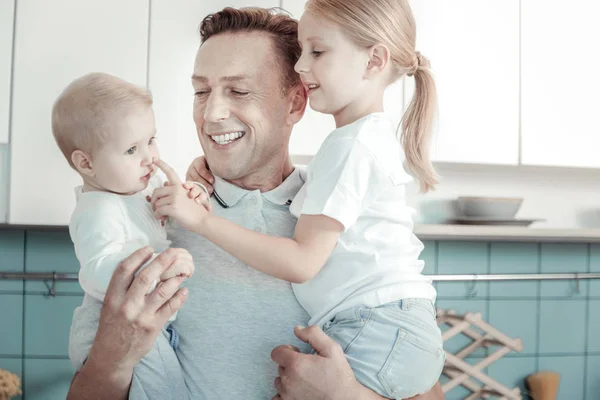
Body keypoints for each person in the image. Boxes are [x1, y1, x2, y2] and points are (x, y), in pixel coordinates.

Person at [66, 7, 445, 400]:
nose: (211, 114)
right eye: (201, 92)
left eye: (239, 91)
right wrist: (113, 357)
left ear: (297, 103)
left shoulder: (346, 229)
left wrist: (347, 397)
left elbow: (425, 386)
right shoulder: (156, 224)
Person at [52, 72, 204, 399]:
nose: (150, 156)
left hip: (146, 324)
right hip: (104, 328)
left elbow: (168, 231)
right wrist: (158, 267)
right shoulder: (98, 210)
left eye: (151, 140)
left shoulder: (135, 191)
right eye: (132, 149)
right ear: (86, 163)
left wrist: (189, 200)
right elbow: (98, 271)